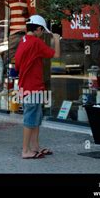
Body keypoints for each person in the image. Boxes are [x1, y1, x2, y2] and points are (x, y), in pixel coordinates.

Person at [15, 15, 60, 159]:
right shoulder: (36, 42)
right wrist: (57, 40)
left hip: (26, 86)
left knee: (35, 118)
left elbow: (17, 65)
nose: (42, 34)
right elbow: (56, 54)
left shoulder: (23, 41)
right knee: (30, 120)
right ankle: (25, 150)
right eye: (42, 31)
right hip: (33, 86)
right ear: (38, 29)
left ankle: (35, 147)